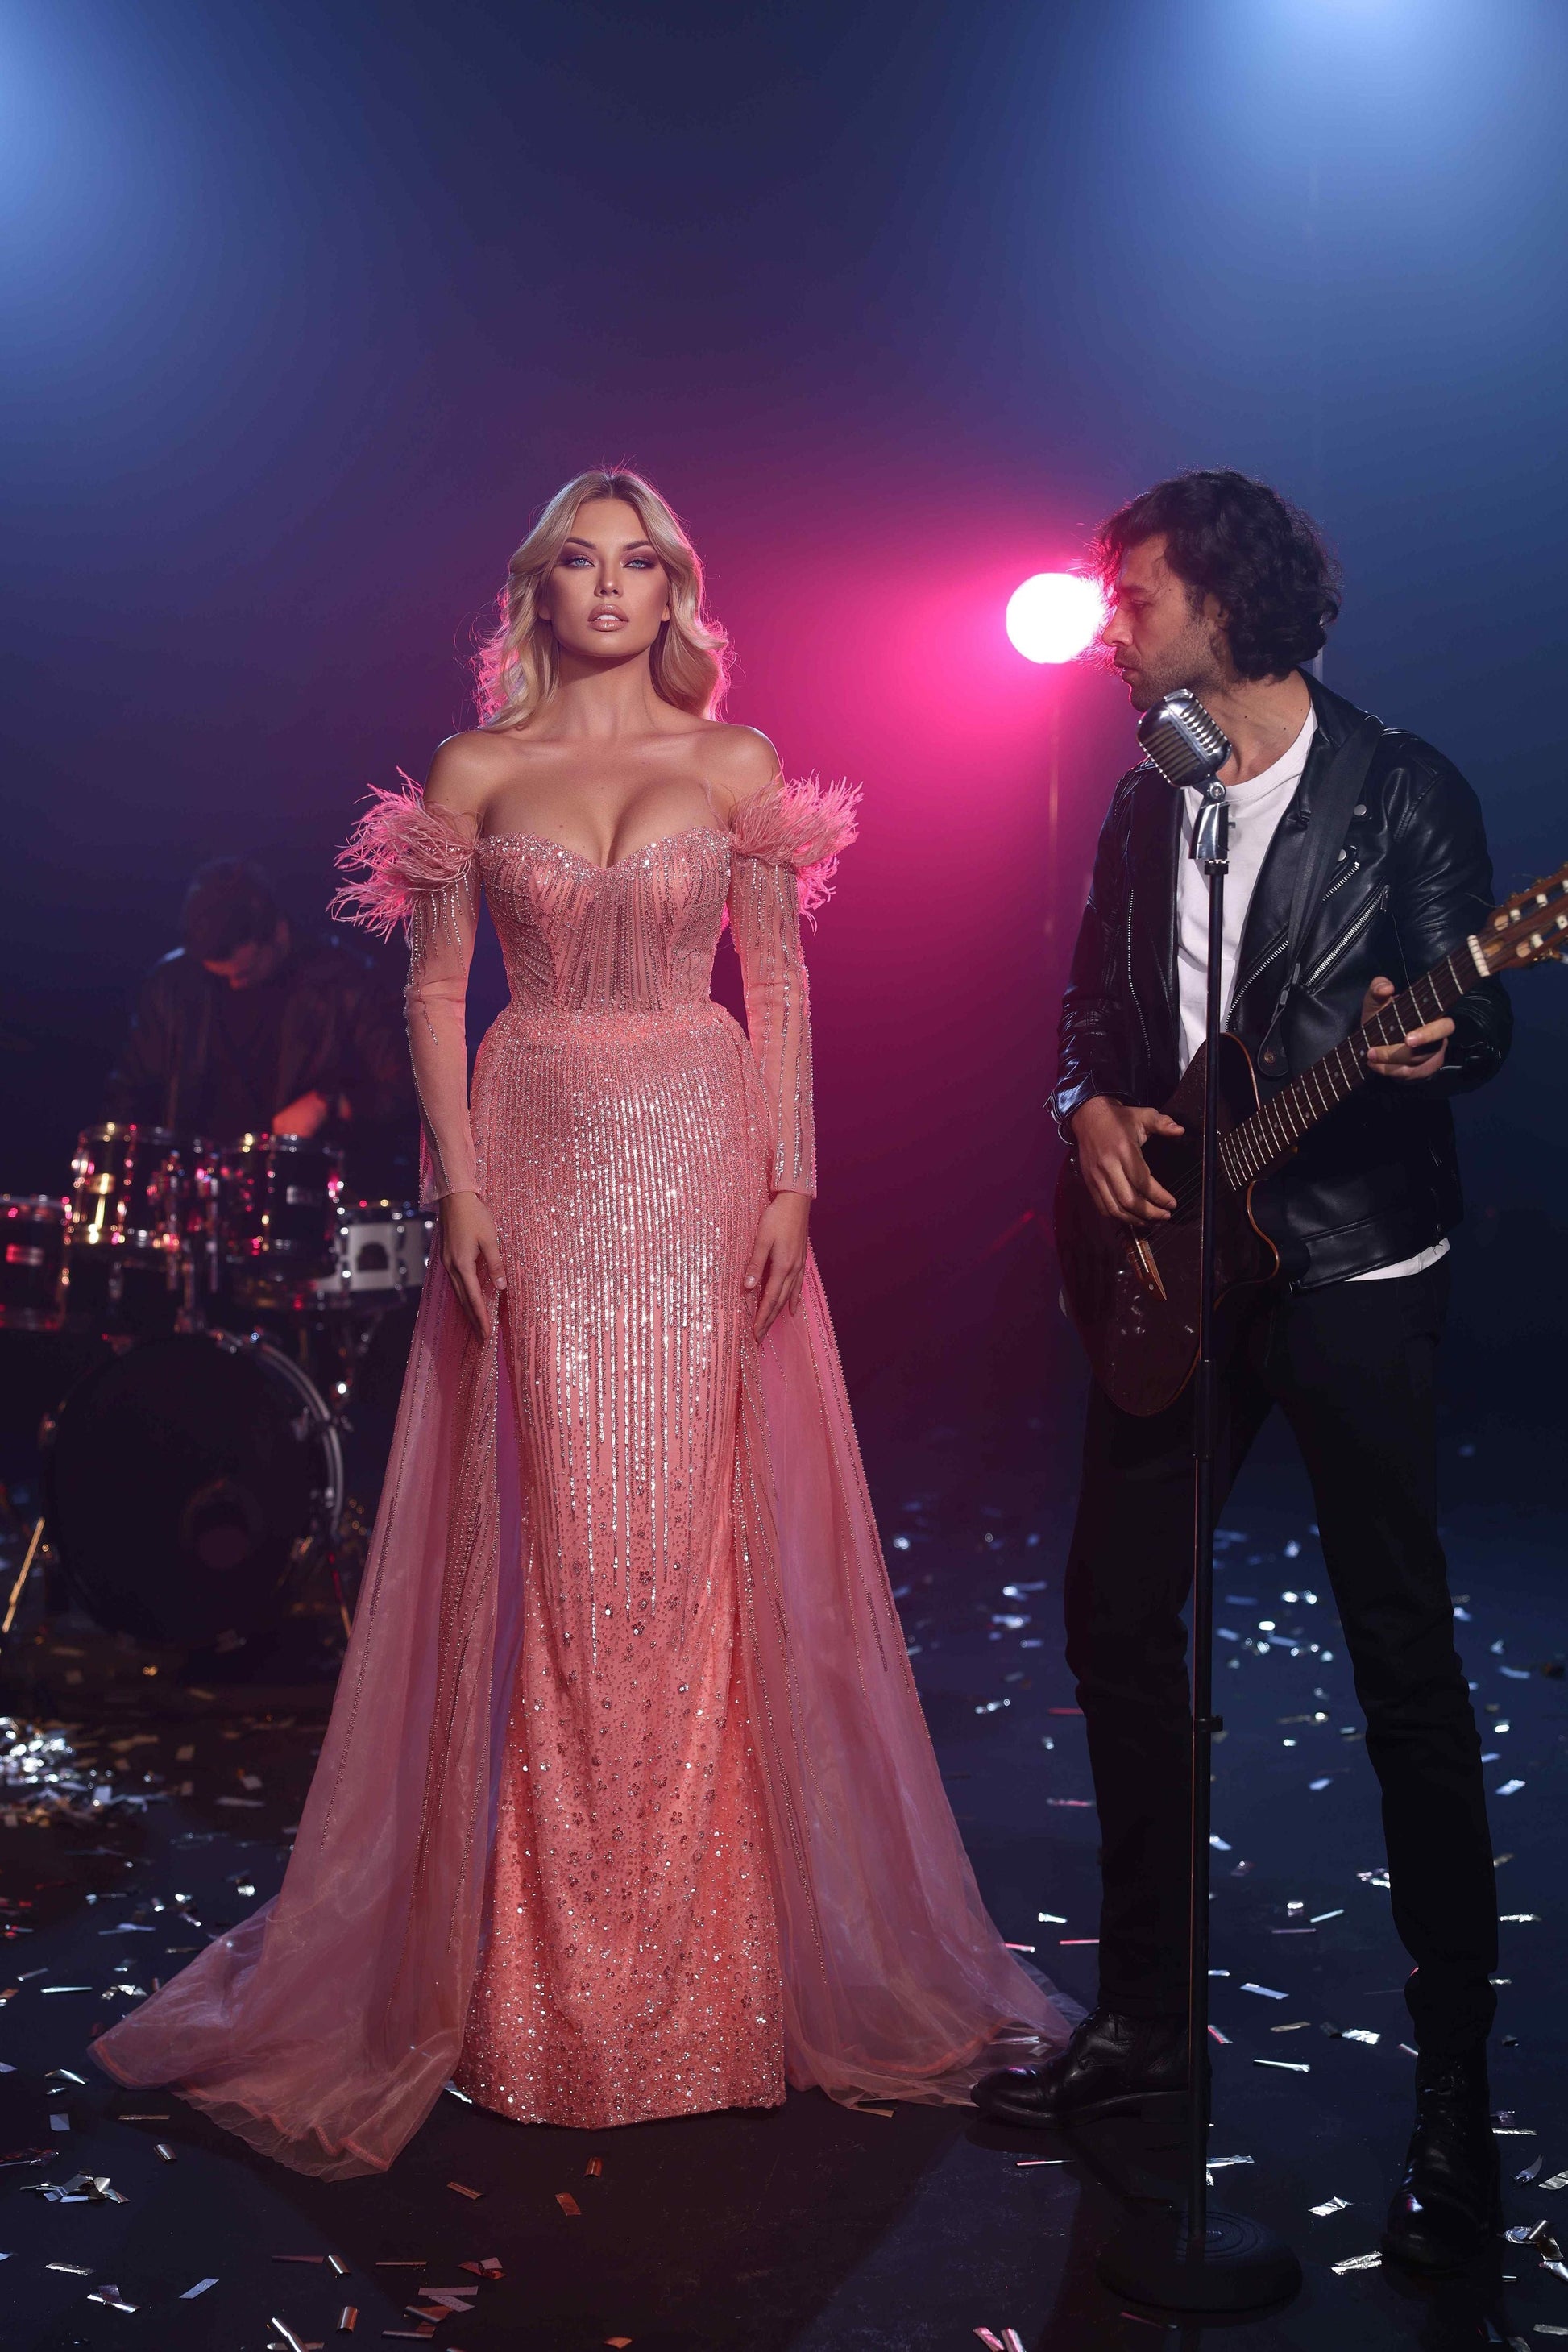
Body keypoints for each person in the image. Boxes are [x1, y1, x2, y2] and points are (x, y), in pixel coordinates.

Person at [91, 467, 1072, 2175]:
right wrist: (456, 1189)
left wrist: (793, 1180)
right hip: (534, 1146)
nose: (610, 587)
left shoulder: (737, 761)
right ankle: (534, 1995)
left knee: (685, 1539)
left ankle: (710, 1981)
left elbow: (779, 983)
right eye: (579, 561)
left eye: (638, 563)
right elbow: (429, 987)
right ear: (536, 588)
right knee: (553, 1539)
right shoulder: (474, 771)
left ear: (674, 588)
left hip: (700, 1147)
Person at [973, 471, 1512, 2275]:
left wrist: (1442, 1033)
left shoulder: (1401, 788)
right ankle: (1144, 2020)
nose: (1110, 632)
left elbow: (1483, 1010)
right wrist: (1082, 1110)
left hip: (1352, 1262)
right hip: (1177, 1263)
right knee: (1117, 1615)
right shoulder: (1152, 799)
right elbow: (1082, 1016)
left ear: (1224, 600)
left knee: (1399, 1658)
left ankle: (1453, 2097)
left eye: (1134, 599)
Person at [103, 854, 413, 1170]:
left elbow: (408, 1087)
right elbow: (128, 1092)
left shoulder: (346, 984)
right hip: (191, 1182)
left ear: (278, 933)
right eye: (220, 976)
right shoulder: (172, 984)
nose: (233, 985)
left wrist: (330, 1101)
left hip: (298, 1181)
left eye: (245, 973)